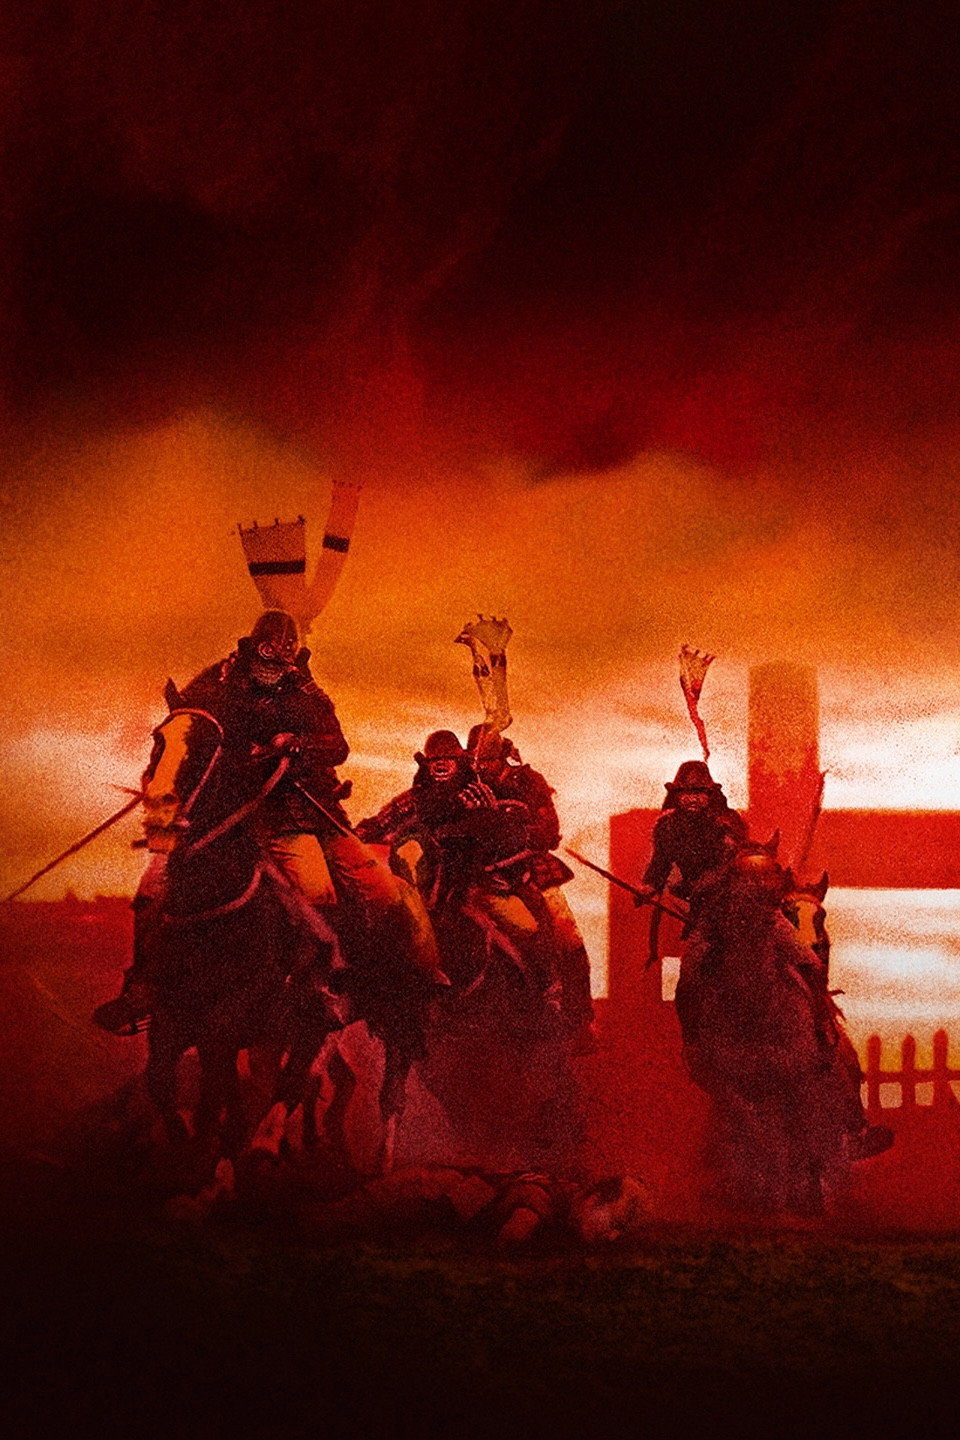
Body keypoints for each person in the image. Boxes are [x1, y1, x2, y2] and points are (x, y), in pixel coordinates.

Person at [95, 610, 443, 1034]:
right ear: (253, 649)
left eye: (282, 660)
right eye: (268, 657)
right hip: (237, 812)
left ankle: (356, 983)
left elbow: (338, 746)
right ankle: (142, 986)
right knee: (154, 887)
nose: (274, 668)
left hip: (311, 810)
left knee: (377, 889)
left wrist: (298, 744)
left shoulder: (305, 691)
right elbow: (187, 723)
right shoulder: (220, 684)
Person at [357, 729, 557, 998]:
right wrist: (361, 832)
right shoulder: (418, 797)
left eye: (447, 758)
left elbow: (512, 829)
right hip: (428, 889)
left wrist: (498, 833)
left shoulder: (484, 792)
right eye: (434, 760)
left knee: (528, 926)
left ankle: (546, 991)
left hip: (484, 882)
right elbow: (387, 818)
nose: (440, 765)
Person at [465, 724, 596, 1051]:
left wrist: (520, 835)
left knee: (568, 940)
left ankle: (578, 1022)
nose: (482, 768)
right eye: (477, 761)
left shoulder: (529, 782)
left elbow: (548, 829)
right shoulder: (465, 782)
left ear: (502, 757)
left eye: (488, 761)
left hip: (529, 870)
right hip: (477, 876)